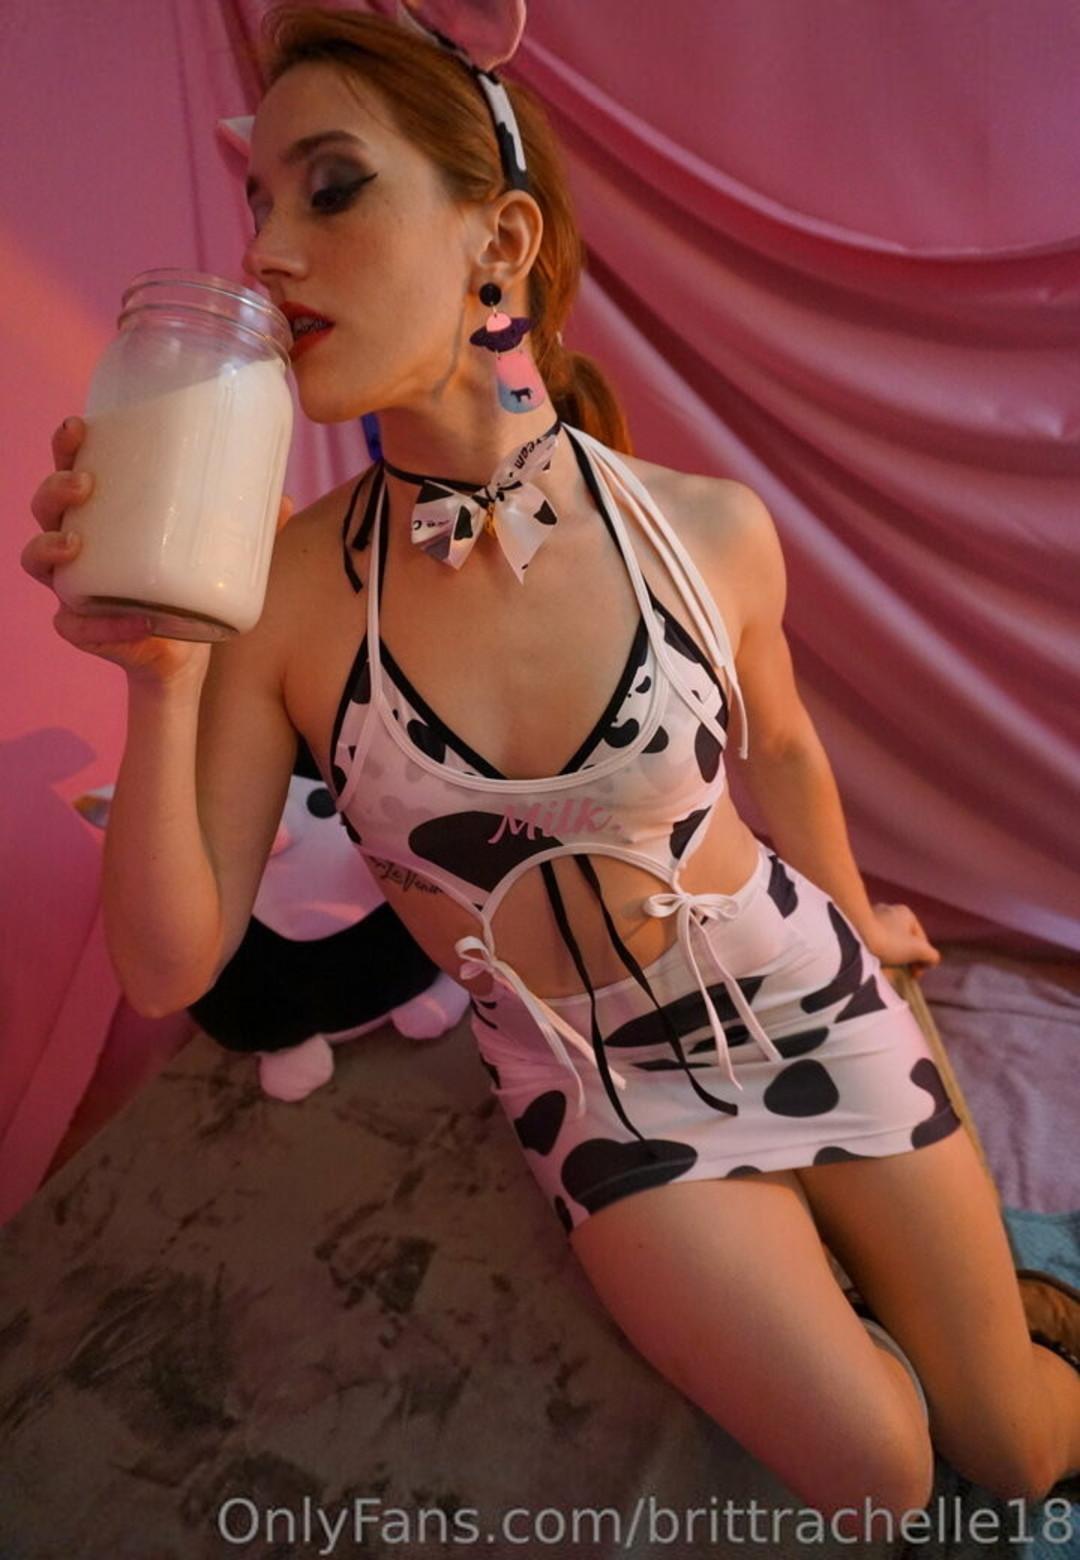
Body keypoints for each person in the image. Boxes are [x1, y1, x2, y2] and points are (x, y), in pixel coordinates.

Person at [24, 3, 1078, 1535]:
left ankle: (1002, 1308)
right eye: (260, 202)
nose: (267, 252)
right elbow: (168, 965)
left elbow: (784, 749)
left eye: (332, 189)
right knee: (886, 1473)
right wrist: (161, 677)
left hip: (806, 998)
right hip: (604, 1092)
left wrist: (869, 934)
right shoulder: (282, 592)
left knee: (1020, 1446)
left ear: (499, 241)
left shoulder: (705, 527)